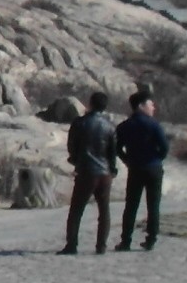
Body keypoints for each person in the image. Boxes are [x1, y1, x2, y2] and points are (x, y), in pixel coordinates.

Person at [59, 90, 117, 255]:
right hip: (104, 172)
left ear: (90, 104)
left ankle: (72, 245)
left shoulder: (80, 123)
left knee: (76, 210)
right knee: (104, 210)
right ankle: (101, 246)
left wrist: (76, 160)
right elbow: (113, 151)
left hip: (86, 171)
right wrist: (112, 169)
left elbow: (72, 146)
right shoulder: (109, 126)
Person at [113, 88, 170, 251]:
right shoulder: (154, 125)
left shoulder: (124, 126)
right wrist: (157, 158)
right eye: (150, 105)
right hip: (153, 167)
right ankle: (151, 238)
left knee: (131, 205)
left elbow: (117, 147)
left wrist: (127, 160)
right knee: (153, 205)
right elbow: (165, 147)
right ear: (141, 106)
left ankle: (126, 240)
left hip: (135, 168)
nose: (153, 108)